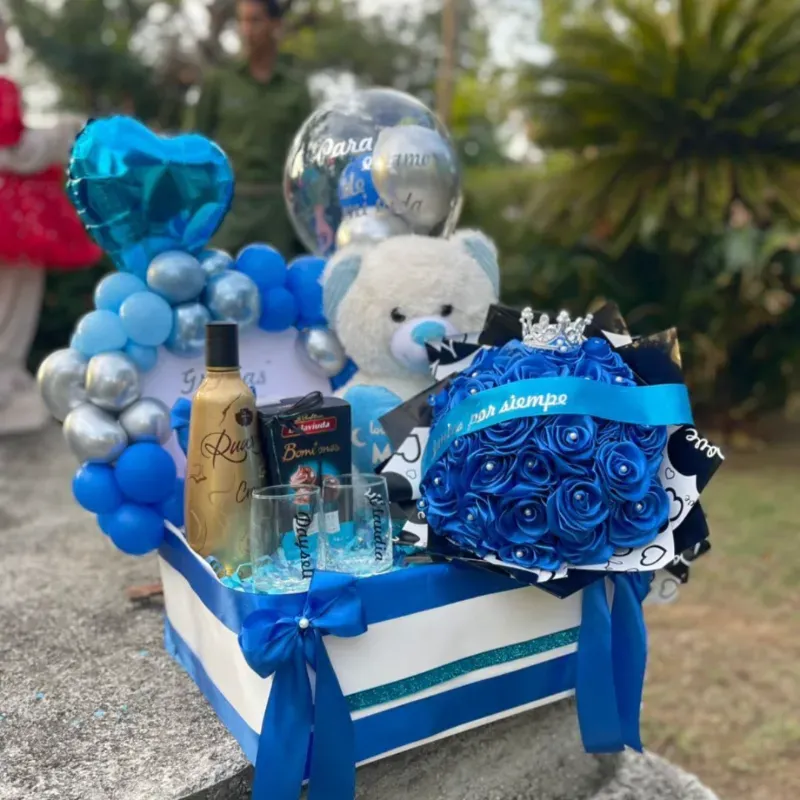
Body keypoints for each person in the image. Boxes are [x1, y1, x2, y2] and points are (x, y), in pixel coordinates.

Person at [0, 14, 102, 436]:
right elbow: (14, 149)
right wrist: (60, 135)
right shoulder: (4, 89)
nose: (8, 41)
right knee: (13, 303)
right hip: (13, 219)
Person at [185, 0, 312, 258]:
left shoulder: (296, 90)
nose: (246, 29)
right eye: (242, 20)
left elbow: (308, 157)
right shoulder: (219, 82)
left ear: (275, 25)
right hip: (227, 213)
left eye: (255, 21)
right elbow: (194, 146)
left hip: (277, 216)